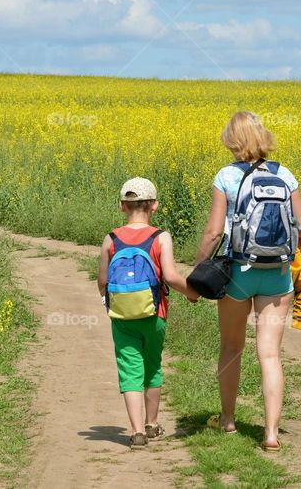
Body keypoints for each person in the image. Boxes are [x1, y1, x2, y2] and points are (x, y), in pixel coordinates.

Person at [195, 112, 301, 451]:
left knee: (231, 348)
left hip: (238, 273)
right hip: (277, 275)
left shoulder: (226, 176)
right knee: (270, 354)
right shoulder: (284, 174)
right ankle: (271, 434)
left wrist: (198, 270)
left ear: (232, 140)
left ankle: (228, 421)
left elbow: (215, 231)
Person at [97, 177, 199, 449]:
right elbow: (171, 276)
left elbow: (102, 281)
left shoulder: (111, 238)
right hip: (155, 314)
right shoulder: (160, 237)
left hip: (122, 317)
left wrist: (107, 301)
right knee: (152, 366)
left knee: (130, 369)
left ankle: (136, 431)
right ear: (154, 206)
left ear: (122, 206)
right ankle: (152, 424)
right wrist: (191, 292)